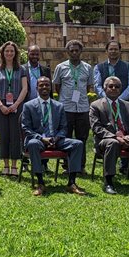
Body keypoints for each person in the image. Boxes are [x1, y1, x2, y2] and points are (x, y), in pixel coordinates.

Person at [21, 76, 86, 196]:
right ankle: (40, 183)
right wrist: (42, 139)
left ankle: (71, 182)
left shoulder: (58, 106)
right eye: (41, 85)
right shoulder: (28, 106)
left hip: (56, 139)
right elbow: (26, 128)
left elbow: (64, 127)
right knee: (32, 144)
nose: (44, 87)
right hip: (38, 139)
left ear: (51, 88)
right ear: (37, 88)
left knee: (78, 144)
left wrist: (56, 138)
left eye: (47, 85)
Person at [94, 40, 129, 174]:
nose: (113, 51)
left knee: (125, 129)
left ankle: (124, 166)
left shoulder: (128, 66)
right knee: (109, 131)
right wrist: (108, 100)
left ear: (120, 51)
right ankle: (109, 163)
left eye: (115, 49)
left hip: (123, 106)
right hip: (105, 107)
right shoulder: (98, 68)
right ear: (106, 51)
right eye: (110, 49)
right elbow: (97, 85)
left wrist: (118, 100)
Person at [52, 40, 94, 173]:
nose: (74, 53)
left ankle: (81, 166)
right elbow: (57, 86)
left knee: (82, 137)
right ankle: (67, 166)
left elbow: (88, 87)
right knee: (66, 137)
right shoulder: (60, 67)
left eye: (77, 50)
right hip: (66, 108)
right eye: (72, 50)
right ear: (67, 52)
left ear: (81, 51)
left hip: (82, 107)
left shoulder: (87, 68)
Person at [0, 41, 29, 176]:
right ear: (2, 53)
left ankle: (14, 166)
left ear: (15, 53)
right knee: (4, 135)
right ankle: (5, 165)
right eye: (7, 51)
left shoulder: (22, 69)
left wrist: (16, 104)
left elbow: (25, 89)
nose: (9, 53)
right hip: (0, 106)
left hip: (16, 107)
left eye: (12, 51)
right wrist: (1, 105)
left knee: (15, 135)